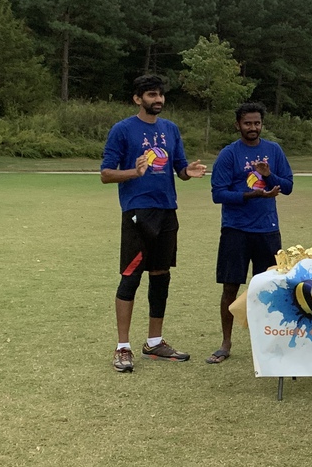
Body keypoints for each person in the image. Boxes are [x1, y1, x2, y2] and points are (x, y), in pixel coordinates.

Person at [100, 75, 207, 373]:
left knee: (161, 276)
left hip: (167, 211)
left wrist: (188, 172)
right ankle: (123, 347)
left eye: (160, 94)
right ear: (138, 99)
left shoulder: (170, 129)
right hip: (137, 212)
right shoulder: (122, 130)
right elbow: (106, 174)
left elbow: (180, 169)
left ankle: (154, 342)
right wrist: (133, 173)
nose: (158, 99)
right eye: (151, 94)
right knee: (131, 277)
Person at [209, 101, 294, 364]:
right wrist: (251, 195)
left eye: (257, 123)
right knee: (230, 287)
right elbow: (218, 194)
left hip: (267, 230)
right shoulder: (229, 154)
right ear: (238, 125)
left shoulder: (273, 150)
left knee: (269, 288)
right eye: (247, 123)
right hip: (235, 229)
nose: (253, 127)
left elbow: (288, 186)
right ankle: (225, 343)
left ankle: (269, 343)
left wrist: (268, 177)